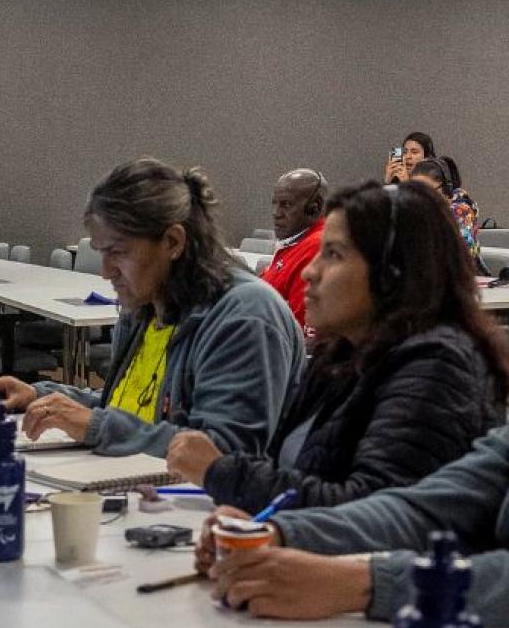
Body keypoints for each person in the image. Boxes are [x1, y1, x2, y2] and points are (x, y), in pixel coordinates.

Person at [167, 179, 508, 512]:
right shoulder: (340, 355)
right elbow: (288, 471)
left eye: (333, 254)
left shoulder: (437, 370)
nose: (309, 273)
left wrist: (222, 473)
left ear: (391, 272)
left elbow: (369, 515)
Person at [0, 157, 305, 458]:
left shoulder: (245, 316)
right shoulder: (145, 307)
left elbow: (224, 453)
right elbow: (134, 412)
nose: (106, 271)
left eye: (118, 252)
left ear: (172, 242)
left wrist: (97, 426)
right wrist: (40, 395)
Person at [194, 422, 509, 628]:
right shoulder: (341, 361)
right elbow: (426, 508)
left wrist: (364, 582)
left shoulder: (437, 362)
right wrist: (282, 534)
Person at [259, 168, 327, 335]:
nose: (275, 213)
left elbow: (300, 334)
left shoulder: (316, 248)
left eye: (286, 204)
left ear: (315, 207)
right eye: (275, 203)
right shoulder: (296, 244)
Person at [412, 155, 487, 272]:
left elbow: (456, 257)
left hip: (466, 279)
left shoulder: (461, 211)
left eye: (427, 191)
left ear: (445, 188)